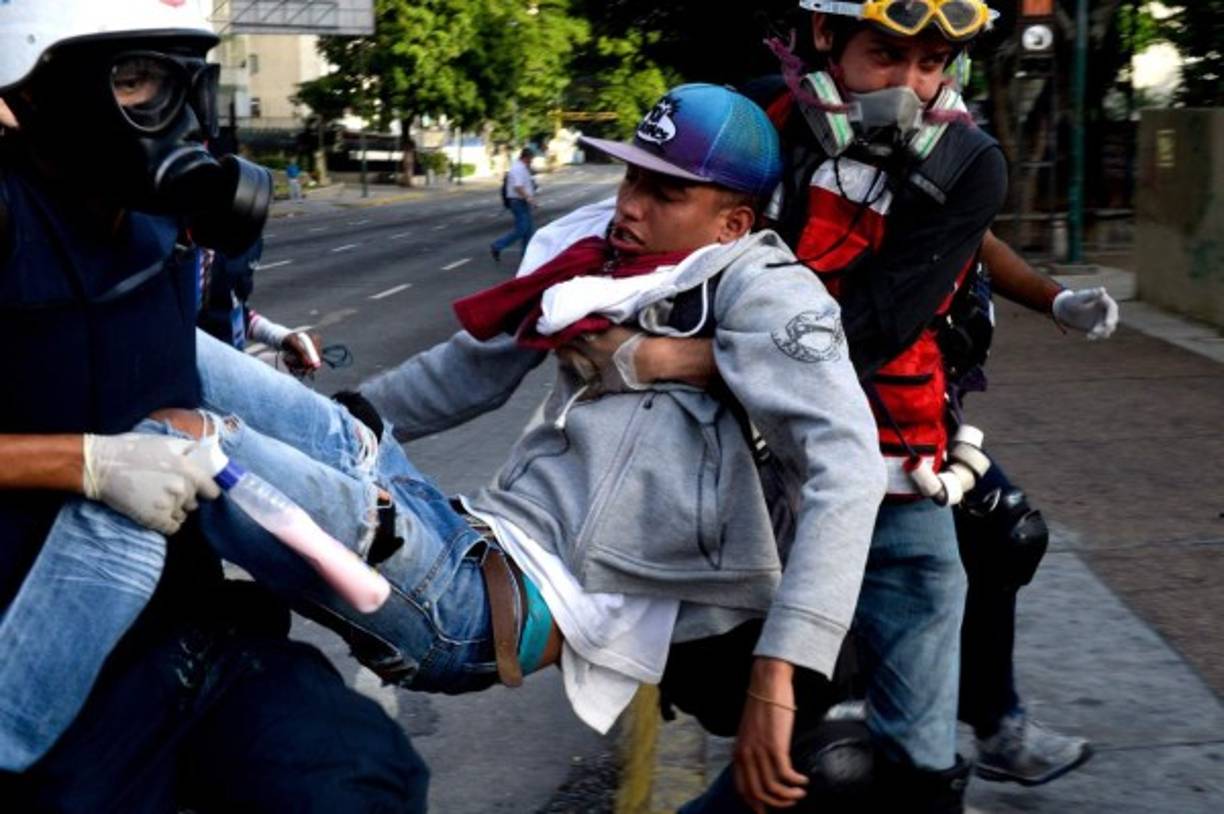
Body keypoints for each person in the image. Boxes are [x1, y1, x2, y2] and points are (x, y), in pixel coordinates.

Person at [2, 83, 886, 791]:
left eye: (666, 192)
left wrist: (783, 666)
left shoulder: (765, 292)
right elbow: (466, 370)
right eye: (629, 178)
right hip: (455, 522)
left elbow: (845, 466)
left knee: (175, 454)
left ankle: (7, 728)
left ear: (733, 222)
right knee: (167, 352)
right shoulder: (598, 266)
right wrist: (339, 422)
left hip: (478, 605)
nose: (631, 207)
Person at [574, 3, 1011, 810]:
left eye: (932, 63)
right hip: (741, 474)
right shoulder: (757, 121)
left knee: (904, 774)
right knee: (788, 748)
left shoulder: (966, 165)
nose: (912, 86)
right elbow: (666, 244)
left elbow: (870, 331)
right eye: (886, 55)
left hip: (891, 472)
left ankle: (990, 725)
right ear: (823, 37)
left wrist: (678, 359)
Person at [0, 3, 427, 810]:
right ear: (33, 87)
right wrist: (86, 462)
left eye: (191, 83)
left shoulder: (166, 220)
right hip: (46, 667)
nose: (185, 121)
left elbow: (175, 366)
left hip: (194, 633)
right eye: (137, 81)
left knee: (360, 777)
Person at [950, 230, 1115, 785]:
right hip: (855, 399)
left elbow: (972, 229)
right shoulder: (836, 156)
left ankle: (995, 726)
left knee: (1002, 533)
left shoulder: (946, 151)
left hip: (926, 403)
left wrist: (1056, 300)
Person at [490, 147, 538, 262]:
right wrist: (529, 198)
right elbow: (518, 187)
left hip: (522, 201)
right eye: (531, 159)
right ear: (526, 157)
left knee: (529, 230)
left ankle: (526, 255)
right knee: (522, 229)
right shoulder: (518, 169)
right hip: (518, 202)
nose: (532, 161)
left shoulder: (523, 168)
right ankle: (497, 245)